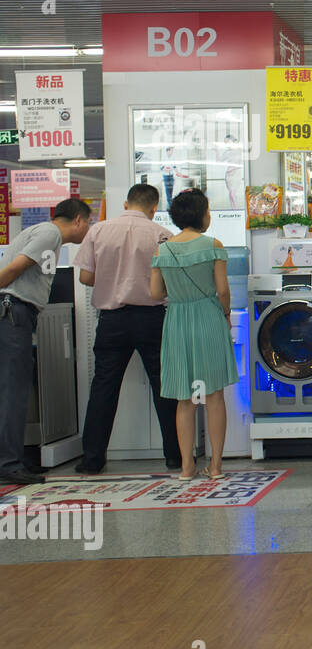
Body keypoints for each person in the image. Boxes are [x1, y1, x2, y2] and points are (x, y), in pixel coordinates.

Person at [74, 183, 183, 475]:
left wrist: (113, 281)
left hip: (112, 320)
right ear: (154, 208)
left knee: (104, 387)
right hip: (152, 318)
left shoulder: (98, 230)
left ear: (125, 203)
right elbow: (170, 282)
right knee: (164, 386)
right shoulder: (164, 236)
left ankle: (92, 460)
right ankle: (175, 456)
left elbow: (86, 276)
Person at [0, 199, 92, 484]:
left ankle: (14, 458)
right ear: (78, 219)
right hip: (13, 312)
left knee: (12, 388)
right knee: (13, 390)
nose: (88, 228)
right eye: (88, 222)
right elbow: (16, 268)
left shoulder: (45, 234)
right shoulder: (50, 233)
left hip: (15, 313)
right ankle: (9, 464)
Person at [149, 190, 239, 482]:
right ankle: (215, 467)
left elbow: (154, 293)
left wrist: (176, 293)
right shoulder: (213, 245)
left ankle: (187, 468)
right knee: (214, 396)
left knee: (183, 399)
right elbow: (223, 290)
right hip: (209, 318)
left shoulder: (163, 250)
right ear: (201, 214)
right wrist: (224, 313)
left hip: (176, 321)